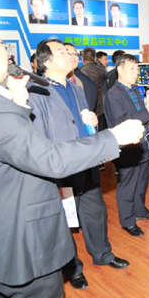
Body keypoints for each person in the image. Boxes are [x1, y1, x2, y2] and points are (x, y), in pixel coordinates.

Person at [0, 11, 143, 298]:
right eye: (2, 45)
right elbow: (49, 158)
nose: (7, 53)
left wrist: (17, 104)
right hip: (23, 249)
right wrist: (114, 137)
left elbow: (2, 150)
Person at [29, 39, 129, 272]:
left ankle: (103, 254)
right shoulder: (35, 91)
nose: (70, 55)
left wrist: (91, 122)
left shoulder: (75, 87)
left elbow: (83, 120)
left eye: (70, 52)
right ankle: (72, 266)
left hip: (86, 163)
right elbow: (37, 138)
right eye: (62, 52)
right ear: (46, 61)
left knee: (95, 213)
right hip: (61, 169)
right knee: (66, 219)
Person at [104, 53, 149, 237]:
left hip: (141, 143)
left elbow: (139, 115)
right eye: (132, 69)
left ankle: (140, 211)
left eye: (137, 69)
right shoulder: (113, 94)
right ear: (120, 70)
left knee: (141, 181)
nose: (136, 72)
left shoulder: (135, 90)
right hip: (127, 147)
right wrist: (148, 113)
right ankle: (128, 221)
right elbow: (120, 121)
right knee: (128, 185)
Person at [80, 48, 108, 122]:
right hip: (100, 103)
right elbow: (101, 66)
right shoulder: (101, 70)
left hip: (87, 103)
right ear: (95, 58)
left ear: (82, 58)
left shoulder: (80, 72)